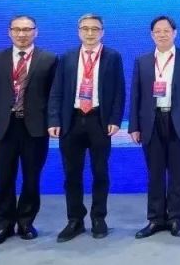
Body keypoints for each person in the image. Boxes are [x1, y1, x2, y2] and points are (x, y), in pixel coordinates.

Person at [0, 15, 57, 246]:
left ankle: (26, 222)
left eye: (27, 29)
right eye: (17, 29)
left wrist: (53, 122)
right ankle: (3, 225)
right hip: (3, 127)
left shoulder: (49, 59)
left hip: (36, 128)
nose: (22, 34)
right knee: (4, 178)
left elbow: (54, 96)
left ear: (36, 32)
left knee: (32, 178)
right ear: (9, 32)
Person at [48, 14, 125, 242]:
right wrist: (54, 120)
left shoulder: (113, 56)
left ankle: (99, 218)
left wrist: (115, 119)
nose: (90, 33)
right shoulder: (67, 57)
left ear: (102, 32)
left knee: (100, 172)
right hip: (71, 121)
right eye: (85, 28)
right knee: (72, 174)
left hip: (99, 121)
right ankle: (75, 220)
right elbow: (57, 91)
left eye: (95, 29)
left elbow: (119, 91)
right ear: (78, 31)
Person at [128, 15, 180, 239]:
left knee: (179, 173)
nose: (162, 34)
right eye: (157, 31)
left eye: (166, 30)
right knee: (155, 173)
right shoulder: (142, 61)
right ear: (152, 35)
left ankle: (176, 218)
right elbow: (136, 95)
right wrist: (134, 126)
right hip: (151, 122)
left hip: (179, 122)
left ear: (174, 33)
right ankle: (155, 219)